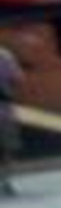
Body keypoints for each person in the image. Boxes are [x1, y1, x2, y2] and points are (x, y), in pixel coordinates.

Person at [0, 40, 23, 195]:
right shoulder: (5, 56)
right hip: (4, 110)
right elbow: (18, 80)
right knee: (7, 149)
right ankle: (6, 182)